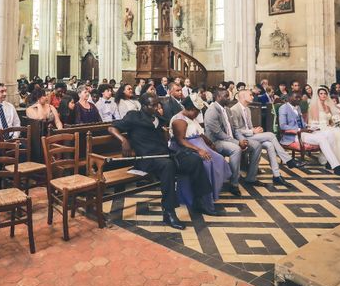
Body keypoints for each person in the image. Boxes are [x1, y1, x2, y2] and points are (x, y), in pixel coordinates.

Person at [107, 94, 220, 231]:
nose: (156, 107)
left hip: (165, 155)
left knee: (194, 159)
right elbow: (112, 127)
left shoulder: (158, 119)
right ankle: (169, 212)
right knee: (168, 166)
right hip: (146, 159)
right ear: (143, 106)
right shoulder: (134, 117)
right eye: (153, 105)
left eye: (157, 105)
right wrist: (124, 141)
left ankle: (199, 202)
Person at [169, 94, 231, 208]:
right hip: (186, 149)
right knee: (206, 163)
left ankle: (212, 192)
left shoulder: (192, 118)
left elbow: (200, 135)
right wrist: (199, 150)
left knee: (218, 159)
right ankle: (203, 198)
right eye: (197, 111)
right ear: (191, 109)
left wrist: (211, 144)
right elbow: (181, 140)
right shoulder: (179, 120)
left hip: (200, 146)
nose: (198, 114)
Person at [231, 89, 303, 187]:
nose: (253, 97)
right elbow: (236, 131)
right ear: (243, 97)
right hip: (241, 139)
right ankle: (289, 160)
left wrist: (255, 129)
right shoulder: (234, 110)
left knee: (269, 145)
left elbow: (248, 126)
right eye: (250, 95)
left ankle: (275, 176)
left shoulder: (247, 109)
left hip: (251, 136)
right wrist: (252, 131)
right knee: (271, 135)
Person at [278, 92, 340, 177]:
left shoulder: (298, 107)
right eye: (296, 98)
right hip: (294, 135)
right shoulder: (283, 108)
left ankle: (329, 162)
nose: (299, 99)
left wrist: (310, 127)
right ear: (289, 99)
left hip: (304, 132)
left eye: (300, 97)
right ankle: (337, 168)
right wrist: (300, 130)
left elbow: (302, 123)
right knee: (321, 139)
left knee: (330, 134)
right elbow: (283, 126)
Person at [203, 88, 258, 196]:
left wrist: (240, 139)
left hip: (229, 139)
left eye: (229, 96)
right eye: (226, 96)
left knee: (256, 145)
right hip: (215, 142)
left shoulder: (227, 110)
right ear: (218, 97)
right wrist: (237, 143)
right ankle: (234, 183)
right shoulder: (212, 111)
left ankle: (251, 177)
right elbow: (218, 133)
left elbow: (235, 129)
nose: (229, 98)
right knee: (236, 149)